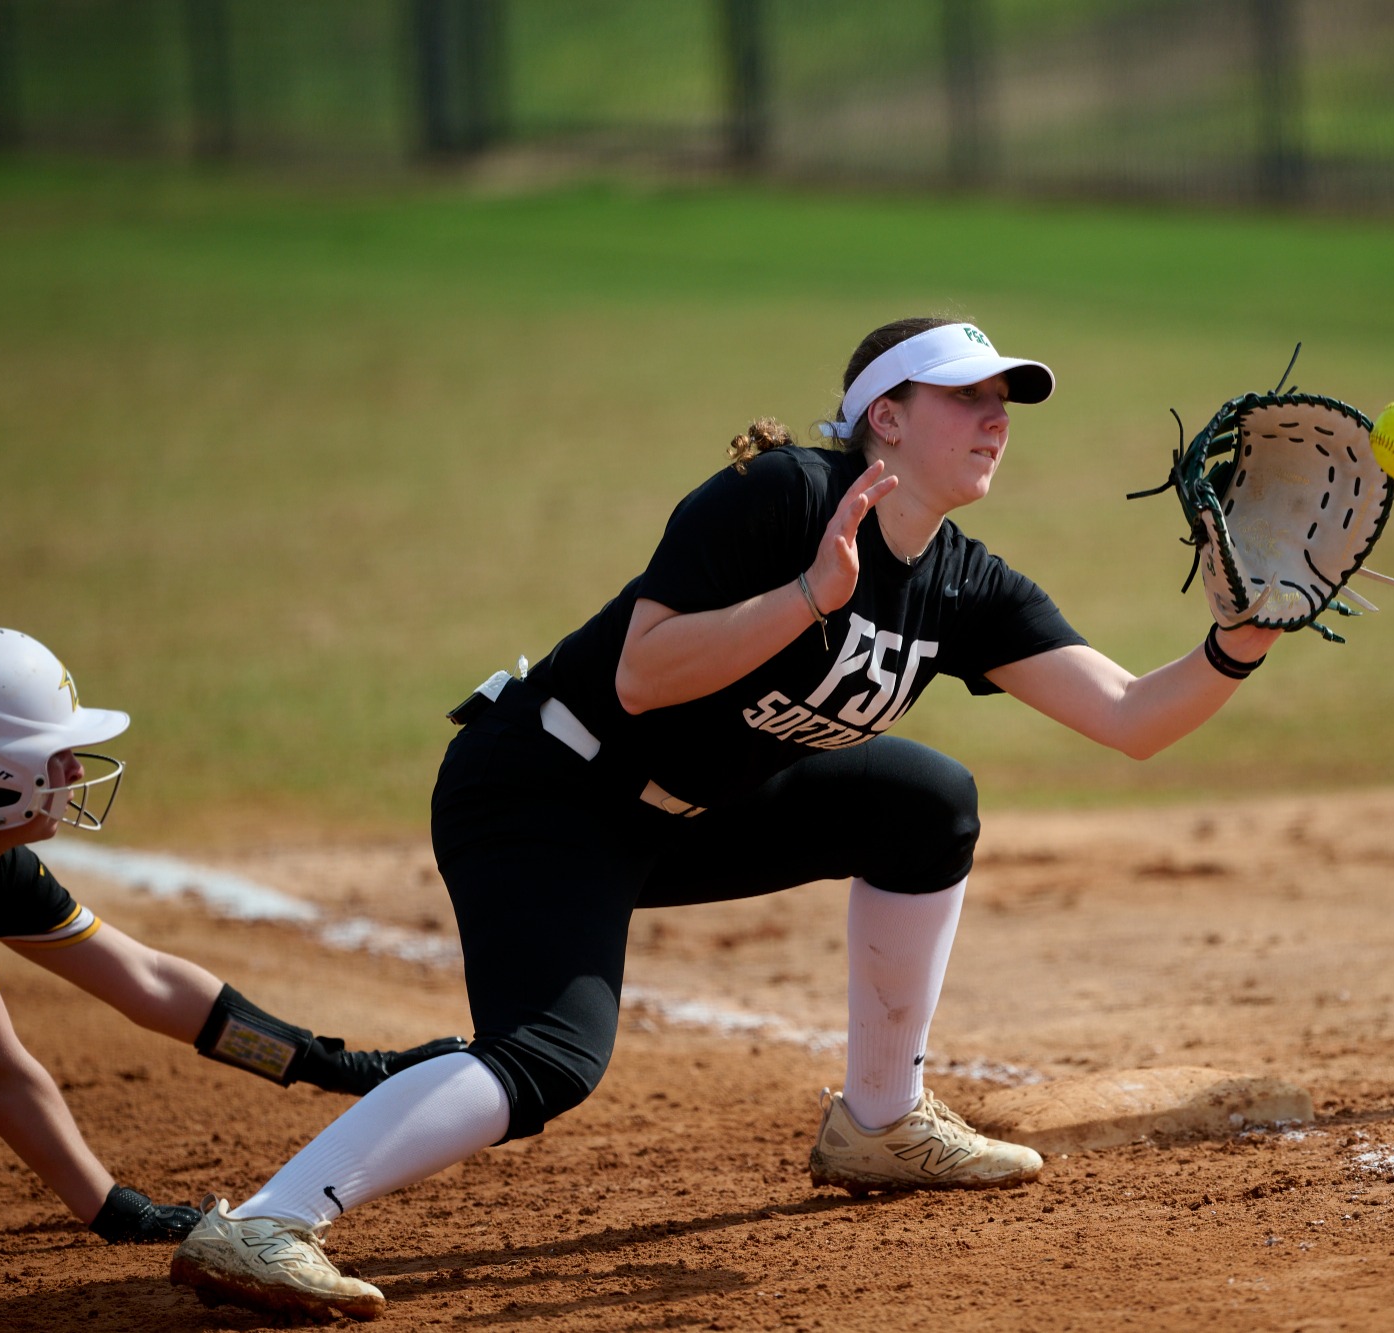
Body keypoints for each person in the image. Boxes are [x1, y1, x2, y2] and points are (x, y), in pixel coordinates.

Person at [168, 316, 1285, 1321]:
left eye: (1005, 401)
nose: (994, 417)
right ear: (882, 419)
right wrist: (808, 596)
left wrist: (1241, 638)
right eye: (965, 396)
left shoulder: (962, 584)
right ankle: (267, 1220)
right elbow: (646, 675)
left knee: (925, 803)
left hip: (694, 810)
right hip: (544, 790)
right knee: (550, 1056)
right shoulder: (783, 498)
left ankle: (881, 1123)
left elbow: (1132, 716)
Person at [0, 626, 468, 1245]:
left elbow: (147, 981)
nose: (73, 769)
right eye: (52, 750)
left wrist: (349, 1069)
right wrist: (115, 1210)